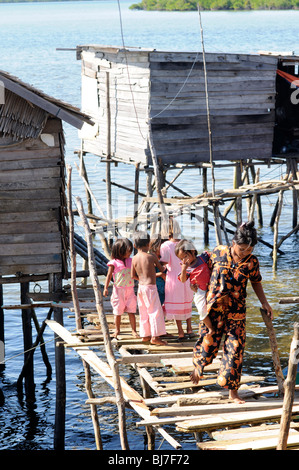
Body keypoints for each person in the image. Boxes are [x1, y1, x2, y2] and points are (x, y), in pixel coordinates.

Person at [191, 221, 273, 404]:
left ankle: (233, 392)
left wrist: (265, 303)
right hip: (213, 309)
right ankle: (198, 366)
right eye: (242, 248)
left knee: (235, 349)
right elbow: (199, 266)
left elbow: (256, 282)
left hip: (237, 311)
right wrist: (193, 283)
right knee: (208, 341)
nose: (245, 252)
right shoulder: (217, 252)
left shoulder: (252, 262)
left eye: (249, 249)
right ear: (233, 242)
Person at [159, 217, 194, 340]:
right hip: (187, 276)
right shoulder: (186, 243)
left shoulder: (166, 246)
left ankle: (180, 332)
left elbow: (163, 263)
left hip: (173, 277)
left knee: (176, 305)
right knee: (186, 303)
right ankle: (189, 329)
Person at [131, 231, 168, 346]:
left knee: (143, 311)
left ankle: (145, 335)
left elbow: (133, 276)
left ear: (134, 245)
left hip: (141, 287)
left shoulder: (134, 258)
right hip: (151, 288)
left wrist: (142, 279)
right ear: (148, 244)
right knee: (155, 312)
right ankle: (155, 337)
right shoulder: (151, 256)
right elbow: (162, 269)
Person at [175, 239, 214, 336]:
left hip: (211, 287)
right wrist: (183, 269)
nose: (184, 260)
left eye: (185, 256)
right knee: (201, 309)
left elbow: (214, 258)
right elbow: (183, 280)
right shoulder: (187, 268)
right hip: (200, 290)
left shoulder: (203, 258)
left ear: (192, 251)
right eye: (181, 259)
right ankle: (210, 328)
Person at [103, 238, 138, 339]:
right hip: (118, 290)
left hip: (130, 290)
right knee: (117, 311)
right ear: (120, 251)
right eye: (128, 251)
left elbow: (137, 270)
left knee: (131, 311)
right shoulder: (113, 262)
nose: (130, 253)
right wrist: (105, 288)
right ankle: (117, 330)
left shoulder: (131, 261)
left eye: (131, 251)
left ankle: (134, 330)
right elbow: (109, 276)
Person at [149, 235, 166, 308]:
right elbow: (147, 274)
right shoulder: (150, 258)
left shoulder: (164, 257)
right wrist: (160, 274)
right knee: (155, 306)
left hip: (164, 287)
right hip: (154, 287)